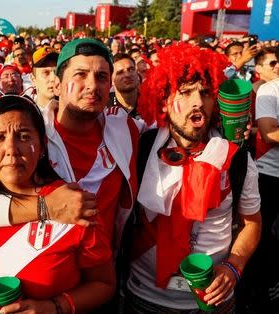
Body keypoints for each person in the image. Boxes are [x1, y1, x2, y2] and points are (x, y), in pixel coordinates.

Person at [0, 38, 141, 284]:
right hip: (44, 281)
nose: (92, 85)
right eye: (80, 74)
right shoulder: (30, 133)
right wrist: (45, 207)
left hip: (101, 276)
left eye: (101, 76)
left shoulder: (125, 129)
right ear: (57, 83)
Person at [0, 95, 115, 313]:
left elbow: (104, 284)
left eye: (24, 136)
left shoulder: (74, 205)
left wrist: (54, 307)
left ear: (42, 146)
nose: (11, 149)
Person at [125, 43, 261, 313]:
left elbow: (252, 223)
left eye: (205, 93)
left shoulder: (236, 160)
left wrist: (233, 266)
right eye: (185, 93)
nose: (197, 101)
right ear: (164, 99)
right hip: (142, 298)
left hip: (213, 304)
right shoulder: (138, 148)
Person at [249, 74, 279, 310]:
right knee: (264, 235)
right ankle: (261, 287)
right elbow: (270, 132)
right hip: (269, 176)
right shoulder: (271, 90)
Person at [109, 53, 141, 119]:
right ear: (111, 80)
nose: (127, 75)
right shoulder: (103, 108)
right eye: (120, 72)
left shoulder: (151, 104)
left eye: (131, 69)